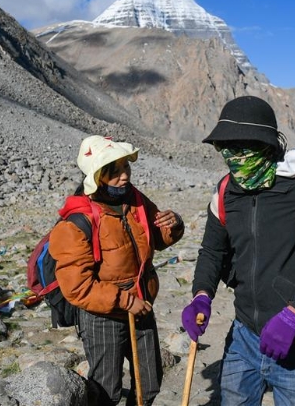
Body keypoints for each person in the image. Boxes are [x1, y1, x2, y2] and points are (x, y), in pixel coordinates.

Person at [181, 96, 295, 405]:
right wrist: (201, 295)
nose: (233, 157)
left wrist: (293, 316)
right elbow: (212, 252)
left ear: (267, 146)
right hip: (242, 339)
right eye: (226, 149)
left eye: (242, 148)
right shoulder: (225, 192)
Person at [48, 135, 184, 405]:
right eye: (115, 172)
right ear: (97, 176)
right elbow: (77, 287)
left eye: (126, 168)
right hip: (103, 315)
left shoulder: (135, 200)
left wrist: (174, 225)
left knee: (149, 384)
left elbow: (156, 238)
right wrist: (125, 301)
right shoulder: (76, 223)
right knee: (106, 392)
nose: (124, 176)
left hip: (141, 304)